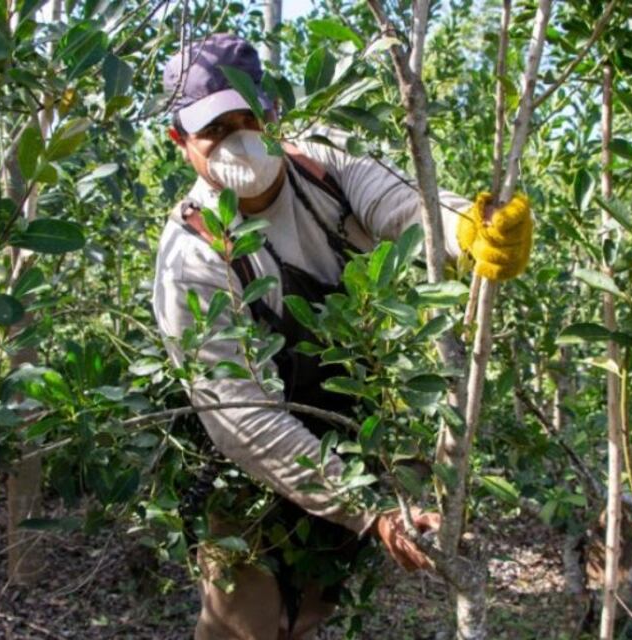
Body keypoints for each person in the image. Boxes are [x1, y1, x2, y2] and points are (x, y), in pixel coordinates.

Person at [152, 33, 532, 640]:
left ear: (275, 112)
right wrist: (368, 510)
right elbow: (242, 419)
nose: (239, 138)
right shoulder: (191, 256)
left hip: (346, 434)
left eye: (249, 118)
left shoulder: (326, 162)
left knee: (310, 609)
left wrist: (469, 229)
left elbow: (407, 208)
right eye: (215, 130)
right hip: (244, 464)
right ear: (181, 141)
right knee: (243, 622)